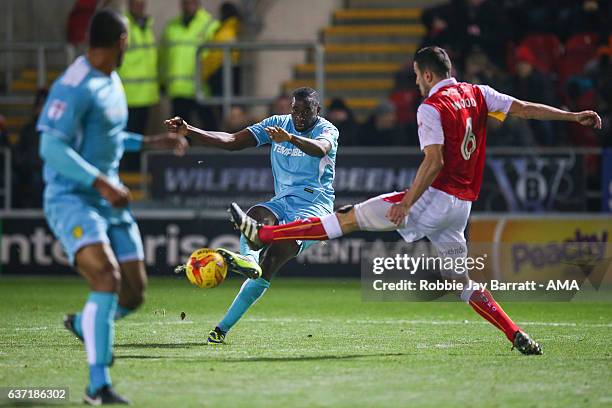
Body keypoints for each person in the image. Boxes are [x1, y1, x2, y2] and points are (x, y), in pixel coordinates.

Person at [230, 46, 602, 355]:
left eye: (415, 75)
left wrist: (408, 203)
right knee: (464, 283)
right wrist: (572, 116)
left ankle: (264, 237)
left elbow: (434, 159)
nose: (416, 82)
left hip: (432, 199)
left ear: (426, 75)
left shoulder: (431, 107)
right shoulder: (478, 93)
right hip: (460, 208)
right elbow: (522, 107)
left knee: (346, 218)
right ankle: (514, 332)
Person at [37, 10, 188, 404]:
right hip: (72, 198)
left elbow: (111, 135)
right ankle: (97, 386)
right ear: (122, 41)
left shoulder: (111, 79)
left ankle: (89, 324)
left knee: (134, 292)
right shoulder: (74, 85)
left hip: (109, 198)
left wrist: (152, 142)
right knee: (106, 276)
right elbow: (50, 147)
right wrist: (102, 182)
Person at [165, 87, 339, 344]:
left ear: (318, 111)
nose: (299, 116)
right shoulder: (277, 124)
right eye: (295, 111)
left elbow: (319, 149)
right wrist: (190, 131)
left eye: (306, 111)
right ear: (290, 109)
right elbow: (232, 141)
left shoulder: (327, 130)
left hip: (315, 207)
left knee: (272, 260)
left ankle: (223, 326)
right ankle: (248, 260)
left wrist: (289, 139)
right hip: (282, 202)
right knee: (256, 214)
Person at [159, 0, 219, 129]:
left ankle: (215, 150)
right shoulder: (171, 27)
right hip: (178, 90)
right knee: (180, 134)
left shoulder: (210, 24)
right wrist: (162, 82)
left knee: (211, 131)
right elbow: (163, 57)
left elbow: (217, 58)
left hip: (202, 89)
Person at [117, 0, 159, 135]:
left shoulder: (147, 25)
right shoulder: (122, 23)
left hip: (146, 95)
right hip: (128, 95)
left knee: (140, 139)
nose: (140, 4)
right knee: (129, 139)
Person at [14, 88, 48, 208]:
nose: (42, 110)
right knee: (34, 180)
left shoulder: (55, 130)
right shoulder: (28, 130)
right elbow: (19, 155)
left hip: (51, 172)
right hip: (31, 172)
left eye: (45, 106)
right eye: (40, 106)